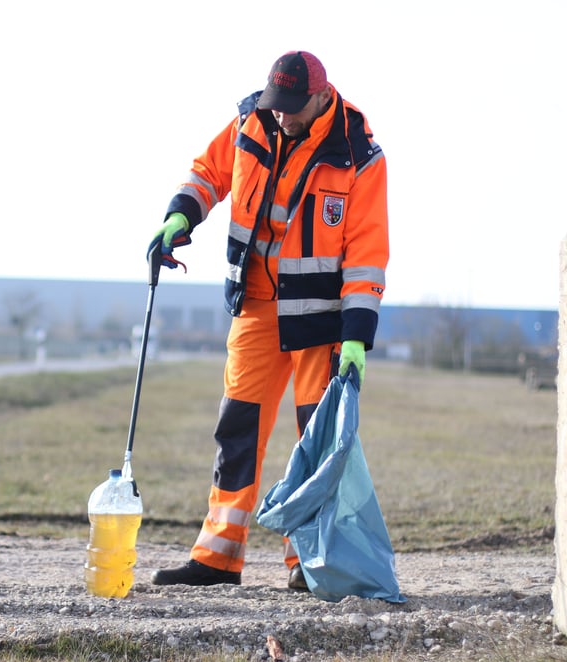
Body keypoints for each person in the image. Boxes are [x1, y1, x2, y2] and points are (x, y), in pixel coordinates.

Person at [147, 50, 389, 590]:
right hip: (255, 304)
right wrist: (179, 216)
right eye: (276, 105)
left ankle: (307, 562)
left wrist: (356, 338)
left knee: (317, 442)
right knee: (237, 431)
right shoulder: (250, 120)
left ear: (323, 97)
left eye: (292, 109)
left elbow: (368, 252)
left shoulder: (359, 154)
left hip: (319, 321)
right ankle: (217, 556)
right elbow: (208, 172)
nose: (281, 117)